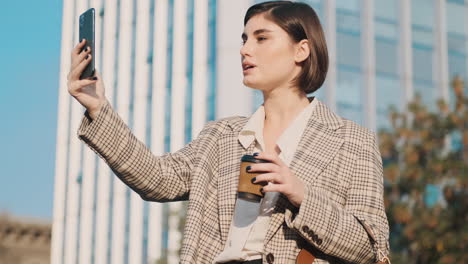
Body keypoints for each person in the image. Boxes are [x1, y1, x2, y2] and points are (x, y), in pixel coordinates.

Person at [67, 1, 390, 263]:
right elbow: (158, 179)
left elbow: (369, 247)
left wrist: (301, 194)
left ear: (300, 50)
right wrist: (98, 107)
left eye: (261, 38)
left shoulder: (351, 140)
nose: (245, 50)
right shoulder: (223, 136)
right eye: (244, 39)